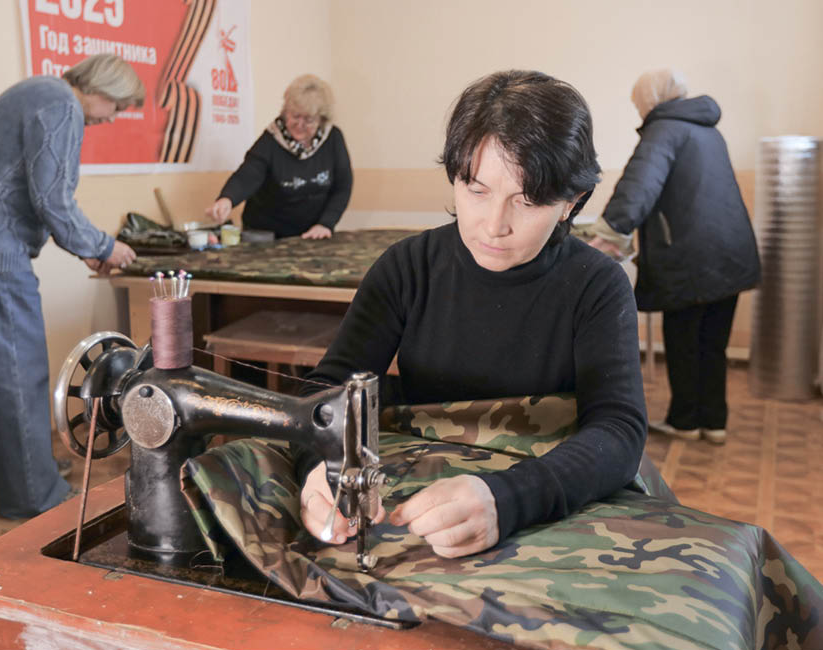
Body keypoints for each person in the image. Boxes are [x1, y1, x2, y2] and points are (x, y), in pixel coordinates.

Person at [295, 70, 647, 558]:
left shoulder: (597, 286)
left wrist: (509, 499)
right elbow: (328, 390)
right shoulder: (407, 267)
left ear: (570, 203)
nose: (493, 225)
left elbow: (619, 431)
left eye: (526, 201)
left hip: (549, 504)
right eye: (475, 190)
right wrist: (318, 468)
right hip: (417, 502)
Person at [0, 54, 144, 519]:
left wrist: (84, 247)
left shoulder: (36, 91)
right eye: (118, 107)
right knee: (17, 373)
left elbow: (32, 194)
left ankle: (5, 478)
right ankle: (32, 496)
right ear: (102, 88)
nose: (112, 119)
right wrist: (106, 246)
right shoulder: (61, 105)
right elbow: (53, 199)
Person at [589, 69, 760, 446]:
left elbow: (637, 189)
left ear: (652, 100)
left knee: (683, 342)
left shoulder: (664, 130)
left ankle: (685, 421)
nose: (639, 112)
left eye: (638, 104)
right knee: (713, 345)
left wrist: (605, 234)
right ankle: (714, 422)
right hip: (729, 255)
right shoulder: (707, 130)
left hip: (690, 259)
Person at [205, 74, 352, 239]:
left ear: (321, 120)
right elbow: (248, 174)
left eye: (309, 120)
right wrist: (227, 199)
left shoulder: (332, 138)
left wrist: (326, 223)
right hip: (266, 233)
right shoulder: (271, 140)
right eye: (295, 116)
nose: (300, 124)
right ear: (285, 112)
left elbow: (343, 186)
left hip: (312, 234)